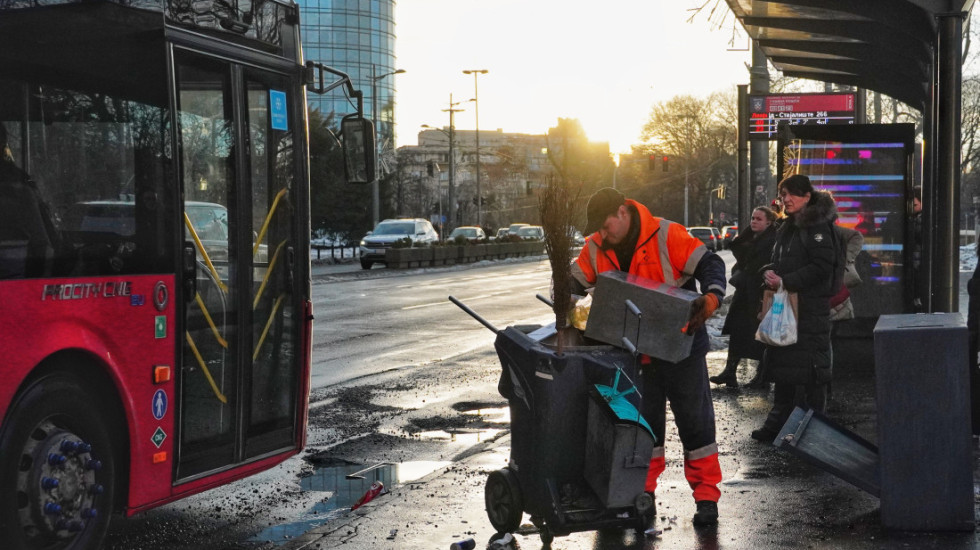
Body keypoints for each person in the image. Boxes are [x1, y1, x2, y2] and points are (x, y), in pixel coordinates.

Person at [570, 187, 727, 527]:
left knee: (696, 424)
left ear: (623, 212)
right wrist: (571, 304)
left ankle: (706, 499)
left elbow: (711, 264)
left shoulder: (666, 233)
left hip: (681, 347)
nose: (602, 232)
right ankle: (642, 496)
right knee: (643, 429)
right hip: (635, 353)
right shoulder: (596, 246)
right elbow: (572, 283)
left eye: (606, 224)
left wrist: (712, 298)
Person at [750, 175, 838, 443]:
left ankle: (814, 428)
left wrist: (786, 281)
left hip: (809, 309)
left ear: (807, 196)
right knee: (784, 365)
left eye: (791, 194)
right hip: (788, 305)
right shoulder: (788, 226)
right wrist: (769, 272)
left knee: (811, 371)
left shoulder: (816, 226)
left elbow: (823, 267)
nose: (785, 199)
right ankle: (779, 422)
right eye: (783, 194)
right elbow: (781, 260)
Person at [710, 206, 777, 389]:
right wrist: (751, 230)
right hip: (745, 291)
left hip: (760, 293)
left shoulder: (772, 240)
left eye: (758, 219)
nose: (754, 221)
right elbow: (737, 246)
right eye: (752, 218)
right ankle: (730, 372)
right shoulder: (754, 237)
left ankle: (762, 376)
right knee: (737, 330)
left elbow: (755, 261)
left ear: (769, 222)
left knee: (761, 334)